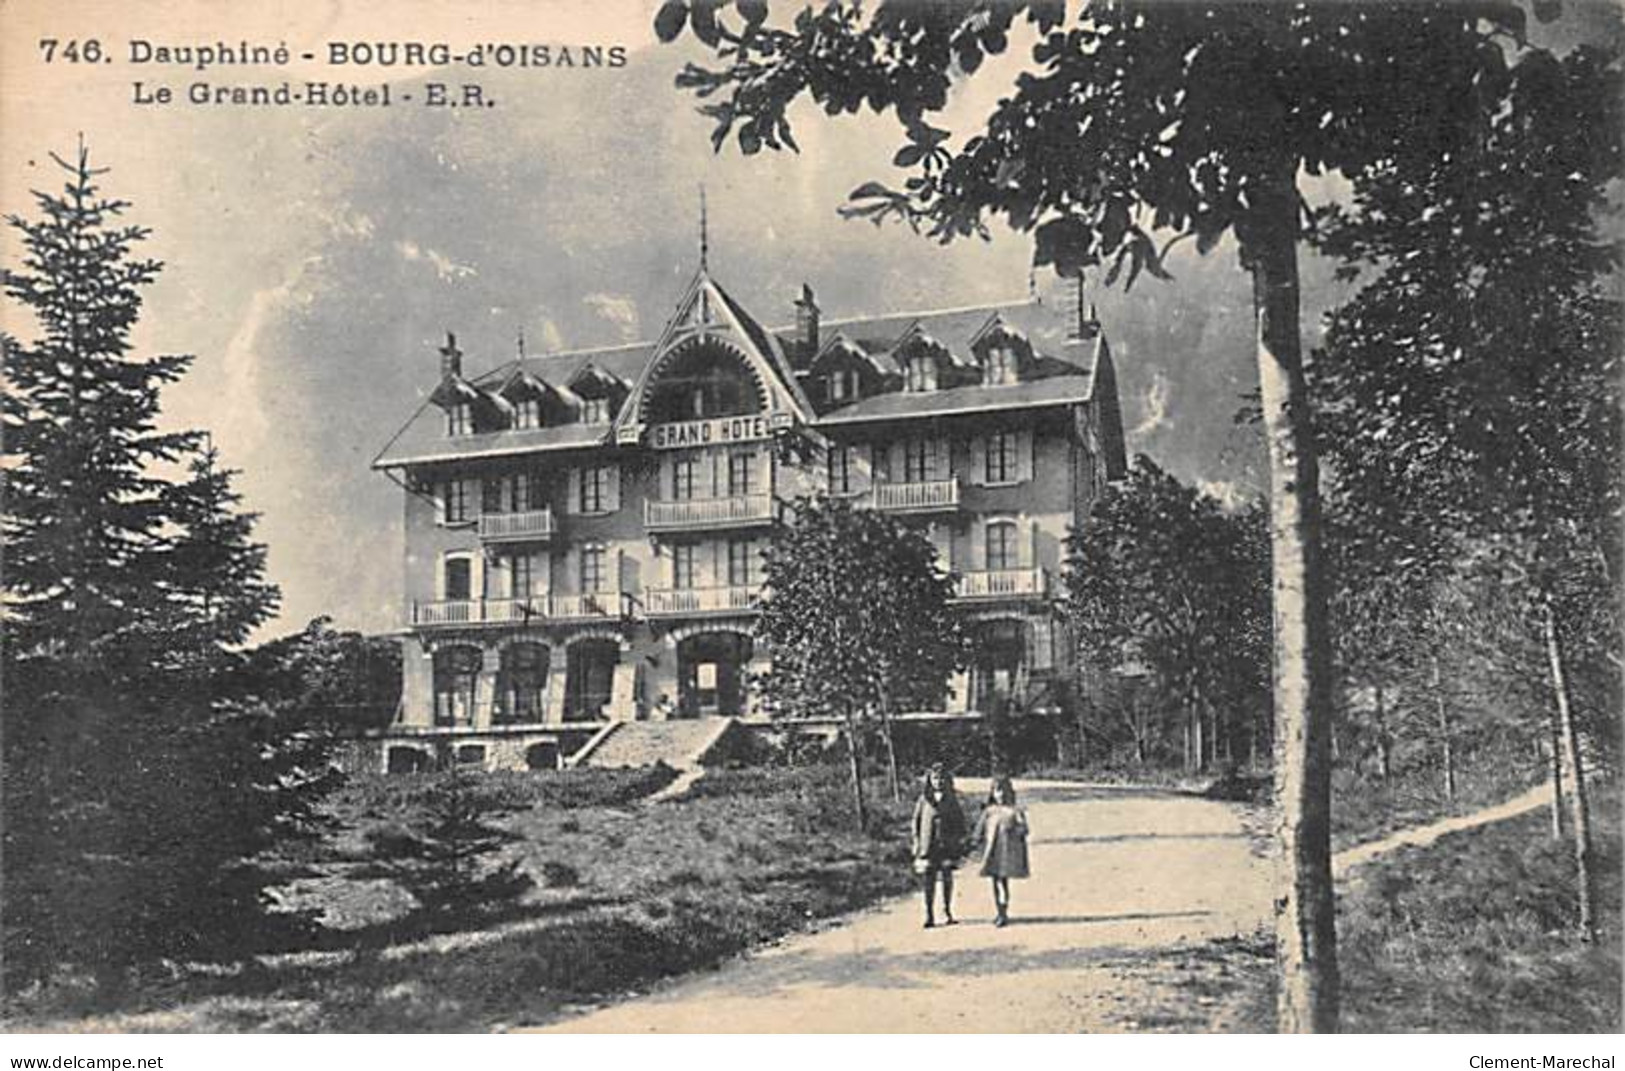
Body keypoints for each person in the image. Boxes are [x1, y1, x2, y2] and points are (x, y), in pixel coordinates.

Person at [910, 765, 966, 929]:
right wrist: (916, 842)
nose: (938, 782)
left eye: (941, 778)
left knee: (947, 878)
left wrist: (958, 841)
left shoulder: (951, 799)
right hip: (928, 845)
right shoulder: (923, 799)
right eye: (935, 778)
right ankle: (929, 914)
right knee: (929, 880)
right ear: (929, 780)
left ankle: (947, 910)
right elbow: (916, 822)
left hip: (946, 846)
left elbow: (959, 822)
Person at [974, 775, 1030, 927]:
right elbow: (979, 830)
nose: (1001, 795)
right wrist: (974, 841)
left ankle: (1003, 912)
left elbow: (1024, 830)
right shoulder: (989, 811)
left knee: (1002, 881)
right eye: (997, 791)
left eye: (1004, 791)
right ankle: (999, 909)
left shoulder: (1014, 811)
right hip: (992, 851)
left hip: (1006, 852)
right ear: (992, 793)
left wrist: (1017, 828)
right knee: (995, 880)